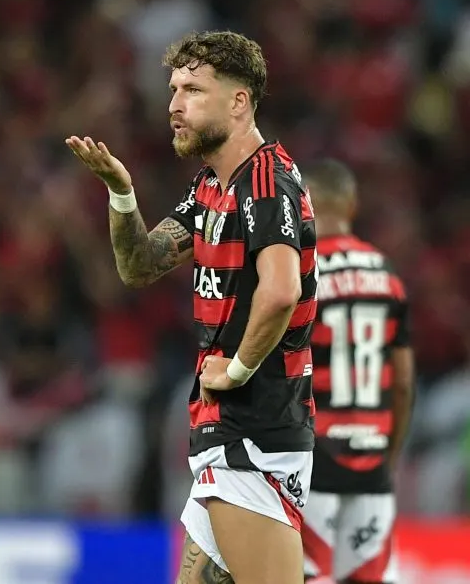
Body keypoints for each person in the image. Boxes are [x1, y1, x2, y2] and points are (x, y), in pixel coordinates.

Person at [67, 30, 317, 584]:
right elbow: (141, 265)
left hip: (255, 430)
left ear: (238, 102)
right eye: (174, 89)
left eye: (194, 91)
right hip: (226, 431)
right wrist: (121, 193)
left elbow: (281, 290)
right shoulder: (212, 186)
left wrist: (239, 367)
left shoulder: (265, 182)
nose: (175, 104)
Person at [299, 159, 414, 584]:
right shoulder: (388, 276)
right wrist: (389, 454)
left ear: (304, 205)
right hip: (372, 455)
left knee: (310, 577)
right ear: (352, 203)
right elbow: (402, 383)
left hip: (313, 458)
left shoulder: (298, 272)